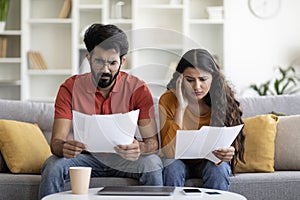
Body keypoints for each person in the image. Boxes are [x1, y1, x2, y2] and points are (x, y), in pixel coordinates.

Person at [39, 24, 163, 199]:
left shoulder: (138, 88)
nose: (105, 70)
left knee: (153, 163)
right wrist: (65, 147)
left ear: (122, 61)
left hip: (125, 160)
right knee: (53, 165)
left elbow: (153, 143)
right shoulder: (70, 88)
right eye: (99, 61)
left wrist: (140, 147)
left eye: (112, 63)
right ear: (89, 58)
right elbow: (56, 143)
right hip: (85, 159)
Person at [159, 49, 245, 191]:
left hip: (209, 162)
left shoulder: (223, 100)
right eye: (190, 80)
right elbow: (169, 151)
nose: (197, 86)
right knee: (171, 166)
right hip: (178, 161)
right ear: (180, 79)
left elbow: (231, 144)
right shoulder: (168, 100)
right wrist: (181, 107)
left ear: (213, 78)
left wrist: (229, 151)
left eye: (203, 79)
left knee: (219, 170)